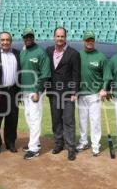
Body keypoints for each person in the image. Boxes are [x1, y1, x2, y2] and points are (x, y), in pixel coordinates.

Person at [46, 27, 81, 161]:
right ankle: (58, 144)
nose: (60, 39)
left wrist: (74, 92)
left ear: (65, 37)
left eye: (62, 36)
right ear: (54, 37)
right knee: (56, 120)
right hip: (53, 93)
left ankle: (71, 148)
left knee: (68, 121)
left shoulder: (74, 53)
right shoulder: (48, 51)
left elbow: (76, 75)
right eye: (57, 36)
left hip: (67, 94)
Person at [0, 31, 21, 155]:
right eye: (3, 40)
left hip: (13, 91)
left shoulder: (17, 53)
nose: (5, 42)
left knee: (12, 118)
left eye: (7, 40)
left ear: (11, 41)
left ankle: (10, 142)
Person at [19, 27, 51, 160]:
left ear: (34, 37)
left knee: (35, 118)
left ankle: (34, 149)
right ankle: (34, 142)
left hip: (35, 92)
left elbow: (45, 74)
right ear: (23, 38)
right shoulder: (23, 52)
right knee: (28, 117)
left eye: (30, 37)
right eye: (26, 37)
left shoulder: (41, 52)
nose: (28, 39)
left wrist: (38, 91)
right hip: (25, 91)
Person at [76, 30, 108, 156]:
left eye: (92, 40)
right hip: (81, 93)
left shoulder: (101, 56)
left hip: (95, 94)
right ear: (83, 41)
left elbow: (106, 76)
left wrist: (104, 89)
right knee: (82, 120)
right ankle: (83, 142)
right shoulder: (78, 55)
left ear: (94, 41)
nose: (90, 42)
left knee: (95, 121)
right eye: (87, 40)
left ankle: (95, 145)